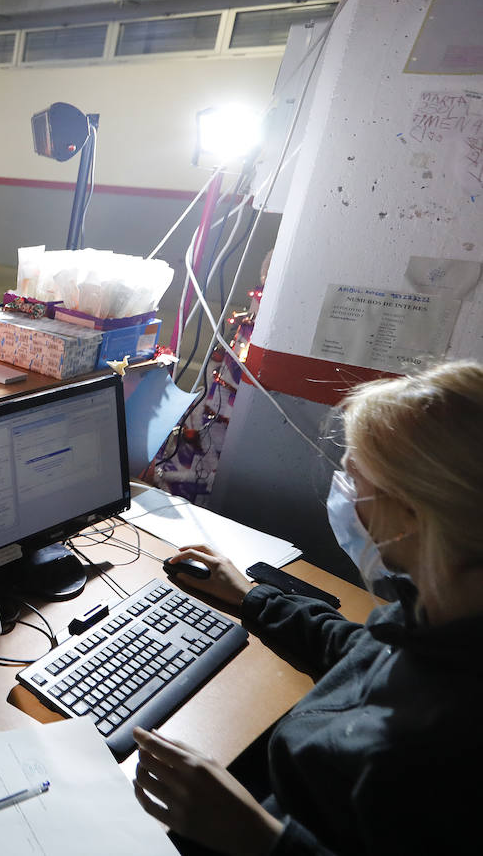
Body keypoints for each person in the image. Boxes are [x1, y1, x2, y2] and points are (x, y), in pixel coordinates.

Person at [131, 360, 483, 855]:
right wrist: (253, 597)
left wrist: (256, 835)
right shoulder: (439, 610)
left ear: (414, 515)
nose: (346, 496)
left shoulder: (448, 745)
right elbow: (366, 653)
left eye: (358, 481)